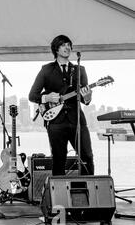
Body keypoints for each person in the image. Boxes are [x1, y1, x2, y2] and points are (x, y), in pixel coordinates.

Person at [29, 34, 94, 176]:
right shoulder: (46, 69)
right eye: (64, 45)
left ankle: (88, 194)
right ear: (56, 49)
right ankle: (59, 197)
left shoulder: (79, 70)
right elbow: (32, 95)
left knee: (87, 157)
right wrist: (47, 97)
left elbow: (85, 100)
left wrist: (87, 97)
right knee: (59, 160)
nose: (68, 47)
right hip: (55, 121)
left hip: (77, 121)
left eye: (69, 45)